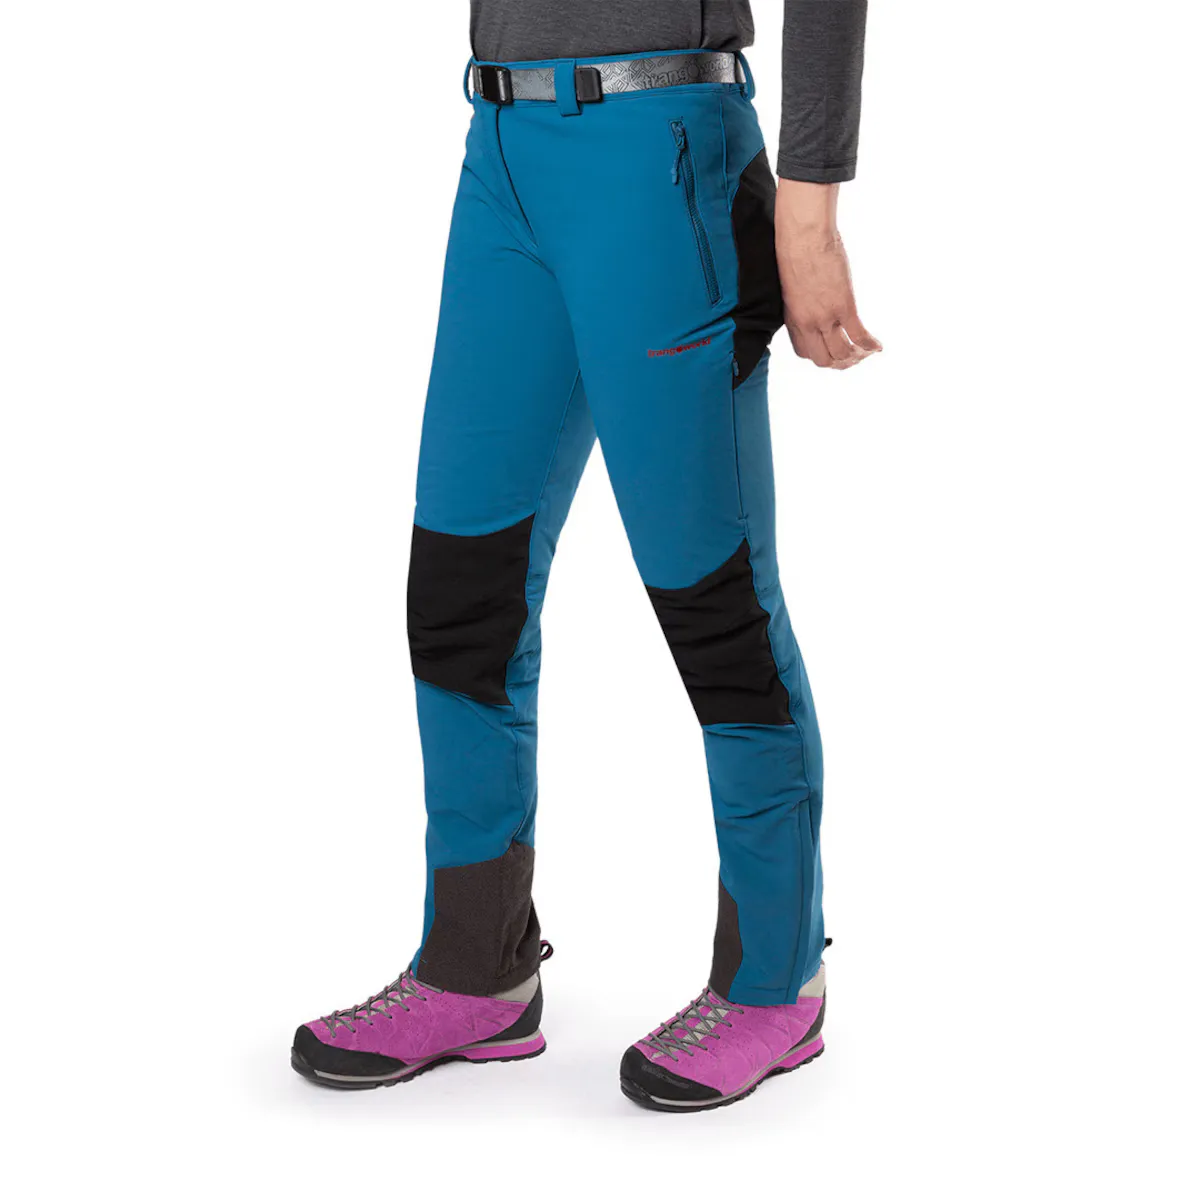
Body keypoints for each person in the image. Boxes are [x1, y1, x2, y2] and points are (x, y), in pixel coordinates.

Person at [291, 0, 876, 1112]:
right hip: (501, 152)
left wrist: (810, 203)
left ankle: (775, 980)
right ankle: (476, 966)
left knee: (714, 600)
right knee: (461, 590)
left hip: (661, 155)